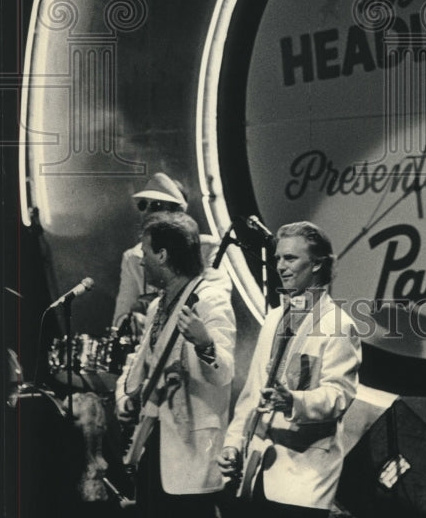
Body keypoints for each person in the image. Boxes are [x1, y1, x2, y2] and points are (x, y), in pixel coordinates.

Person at [219, 221, 361, 517]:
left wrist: (292, 401)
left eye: (291, 258)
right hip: (257, 472)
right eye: (278, 258)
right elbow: (251, 392)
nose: (281, 266)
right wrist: (233, 443)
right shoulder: (273, 318)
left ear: (318, 263)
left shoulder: (338, 324)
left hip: (303, 481)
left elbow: (339, 395)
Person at [115, 211, 236, 518]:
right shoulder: (158, 304)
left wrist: (204, 344)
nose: (141, 261)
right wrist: (124, 396)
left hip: (191, 451)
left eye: (145, 253)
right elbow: (140, 359)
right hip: (155, 444)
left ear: (163, 255)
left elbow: (224, 372)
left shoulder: (210, 300)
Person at [112, 172, 188, 328]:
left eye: (156, 206)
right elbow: (120, 318)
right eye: (143, 205)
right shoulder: (132, 258)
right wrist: (130, 321)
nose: (146, 212)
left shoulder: (205, 251)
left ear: (177, 213)